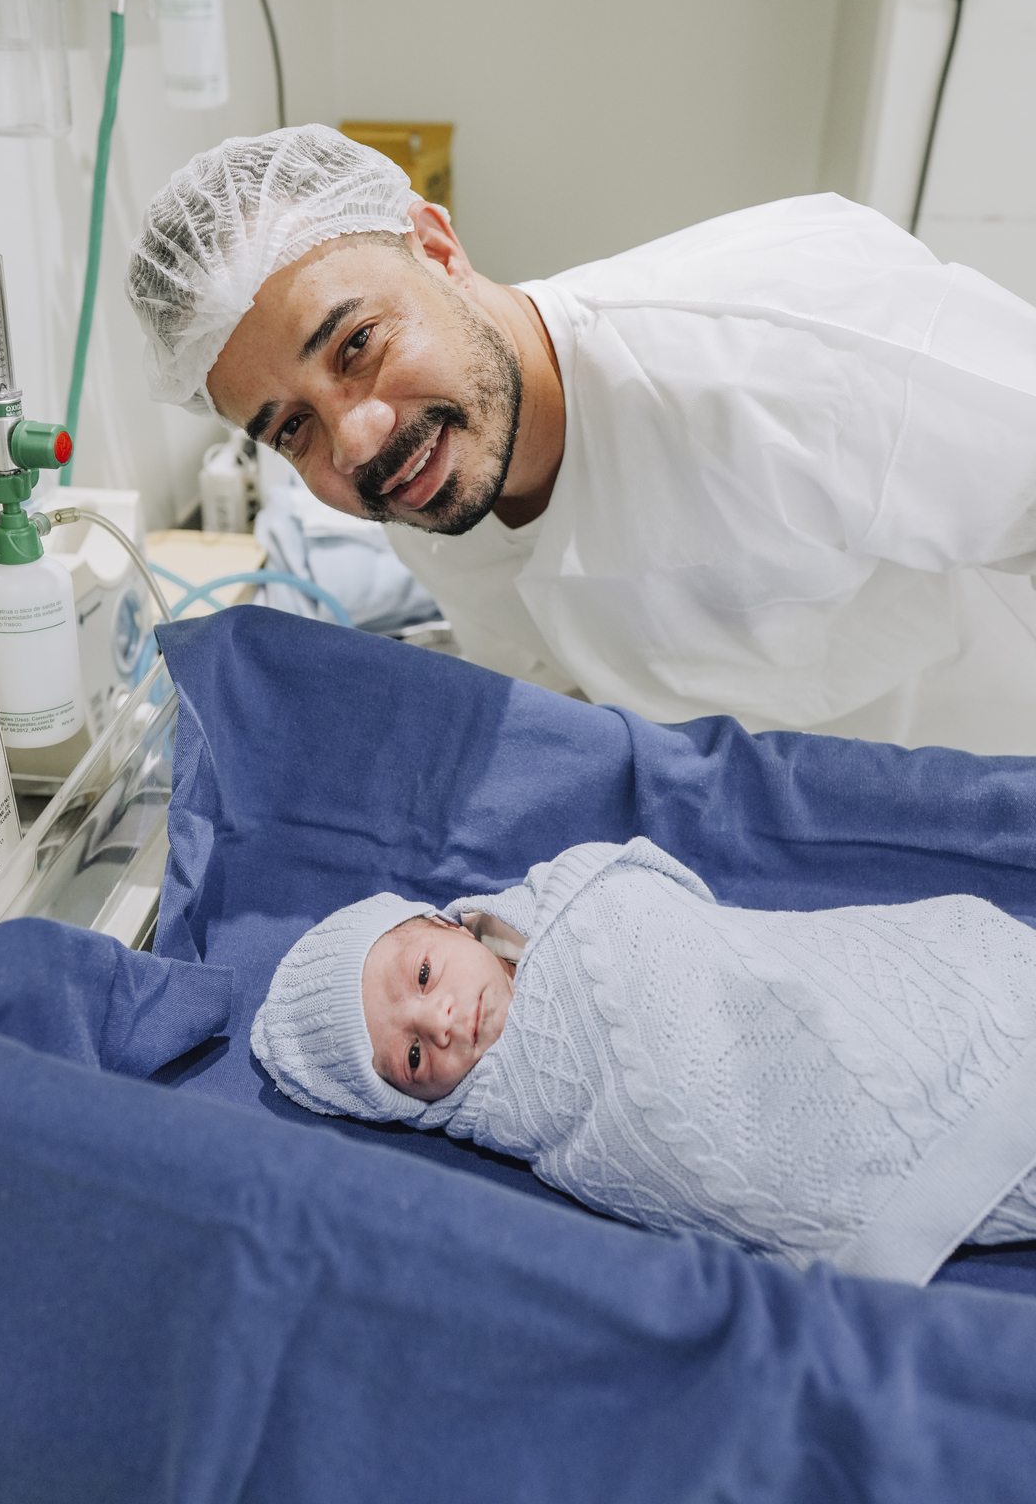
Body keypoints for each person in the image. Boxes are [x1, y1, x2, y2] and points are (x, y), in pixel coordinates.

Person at [126, 125, 1036, 751]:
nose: (357, 441)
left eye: (357, 344)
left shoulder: (780, 344)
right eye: (292, 428)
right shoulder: (435, 491)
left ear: (438, 249)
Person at [250, 838, 1036, 1285]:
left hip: (826, 980)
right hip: (811, 1145)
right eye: (414, 1054)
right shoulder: (520, 1110)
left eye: (423, 976)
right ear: (416, 1104)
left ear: (450, 925)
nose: (442, 1020)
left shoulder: (572, 901)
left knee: (936, 1000)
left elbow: (663, 899)